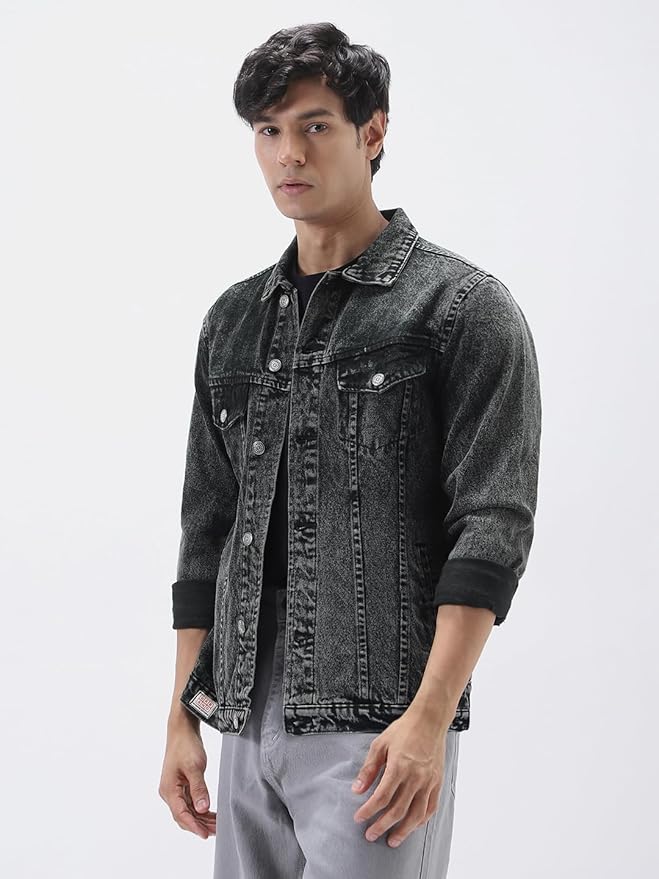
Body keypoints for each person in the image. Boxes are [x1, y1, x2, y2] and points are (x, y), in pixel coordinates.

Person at [159, 21, 542, 879]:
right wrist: (184, 714)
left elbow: (491, 529)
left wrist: (428, 721)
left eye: (315, 125)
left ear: (372, 132)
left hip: (379, 722)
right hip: (241, 711)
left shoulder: (460, 308)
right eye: (268, 130)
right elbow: (206, 533)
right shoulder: (231, 321)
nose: (288, 153)